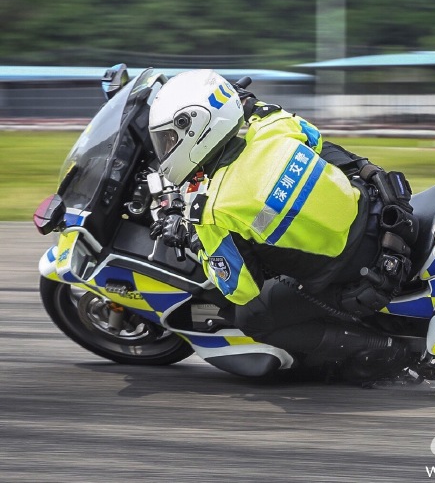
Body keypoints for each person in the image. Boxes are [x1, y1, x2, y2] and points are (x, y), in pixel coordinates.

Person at [148, 69, 418, 380]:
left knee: (252, 317)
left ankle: (385, 350)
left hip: (353, 271)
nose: (165, 148)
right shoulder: (270, 125)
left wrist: (190, 236)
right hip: (375, 211)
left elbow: (239, 288)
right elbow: (314, 139)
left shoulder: (214, 209)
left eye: (169, 139)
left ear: (194, 129)